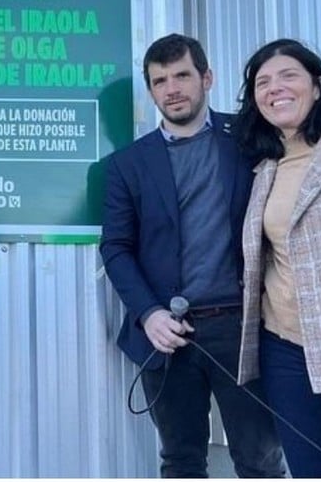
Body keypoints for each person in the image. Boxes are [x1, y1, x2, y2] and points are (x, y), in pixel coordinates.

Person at [99, 33, 285, 477]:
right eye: (160, 80)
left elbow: (304, 132)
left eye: (182, 75)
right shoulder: (129, 164)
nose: (172, 88)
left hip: (244, 327)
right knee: (181, 460)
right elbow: (116, 247)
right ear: (151, 90)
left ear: (207, 78)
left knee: (260, 459)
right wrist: (148, 314)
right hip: (168, 334)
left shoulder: (248, 137)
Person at [236, 38, 321, 478]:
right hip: (285, 349)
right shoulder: (263, 167)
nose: (275, 88)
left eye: (288, 75)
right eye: (262, 83)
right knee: (315, 471)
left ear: (318, 83)